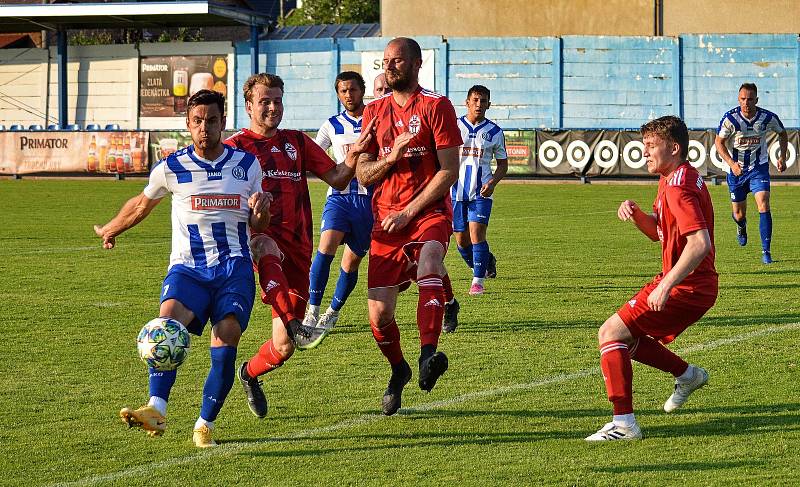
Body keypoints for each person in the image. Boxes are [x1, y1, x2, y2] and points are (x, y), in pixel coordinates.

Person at [94, 90, 272, 448]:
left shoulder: (247, 165)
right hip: (187, 269)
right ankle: (156, 408)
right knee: (164, 326)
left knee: (226, 338)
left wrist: (261, 208)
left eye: (211, 120)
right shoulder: (172, 167)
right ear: (188, 124)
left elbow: (260, 224)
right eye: (197, 121)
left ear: (223, 122)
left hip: (233, 268)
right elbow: (142, 204)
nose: (204, 127)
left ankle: (204, 424)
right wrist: (112, 228)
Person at [225, 73, 361, 419]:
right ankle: (294, 320)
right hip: (258, 236)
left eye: (278, 100)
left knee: (283, 347)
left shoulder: (297, 142)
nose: (273, 107)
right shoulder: (235, 148)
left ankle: (249, 374)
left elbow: (338, 178)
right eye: (265, 101)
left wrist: (358, 152)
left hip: (300, 248)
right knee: (264, 248)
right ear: (249, 106)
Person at [585, 116, 718, 441]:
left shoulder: (677, 187)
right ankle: (687, 376)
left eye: (650, 146)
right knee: (624, 339)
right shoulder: (675, 177)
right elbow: (658, 233)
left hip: (688, 286)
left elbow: (700, 243)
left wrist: (667, 284)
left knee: (610, 332)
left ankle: (624, 424)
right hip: (692, 283)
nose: (644, 152)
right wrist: (637, 215)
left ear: (674, 148)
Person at [353, 37, 462, 416]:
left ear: (417, 64)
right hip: (385, 219)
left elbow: (449, 171)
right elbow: (363, 174)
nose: (390, 67)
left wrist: (411, 210)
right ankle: (398, 369)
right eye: (386, 61)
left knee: (431, 260)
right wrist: (392, 157)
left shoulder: (436, 106)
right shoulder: (374, 112)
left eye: (397, 61)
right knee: (379, 316)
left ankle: (427, 355)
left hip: (428, 210)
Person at [304, 71, 373, 330]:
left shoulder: (376, 120)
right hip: (339, 198)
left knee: (351, 261)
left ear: (362, 90)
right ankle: (312, 310)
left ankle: (332, 312)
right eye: (343, 91)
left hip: (369, 202)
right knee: (325, 249)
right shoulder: (331, 125)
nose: (348, 95)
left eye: (353, 90)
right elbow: (312, 155)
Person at [715, 82, 788, 264]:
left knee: (763, 204)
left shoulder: (767, 118)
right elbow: (719, 143)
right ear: (738, 99)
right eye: (743, 99)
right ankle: (741, 226)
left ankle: (766, 251)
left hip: (759, 168)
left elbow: (783, 133)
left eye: (750, 99)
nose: (746, 103)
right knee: (739, 214)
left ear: (757, 100)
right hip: (737, 172)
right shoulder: (730, 119)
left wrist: (783, 157)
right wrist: (732, 164)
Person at [452, 84, 508, 296]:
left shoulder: (494, 132)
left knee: (477, 234)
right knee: (461, 241)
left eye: (483, 101)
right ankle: (487, 262)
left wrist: (492, 183)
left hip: (481, 193)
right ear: (467, 102)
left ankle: (477, 281)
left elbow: (503, 165)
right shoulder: (454, 126)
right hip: (455, 192)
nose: (478, 105)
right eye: (475, 100)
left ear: (489, 105)